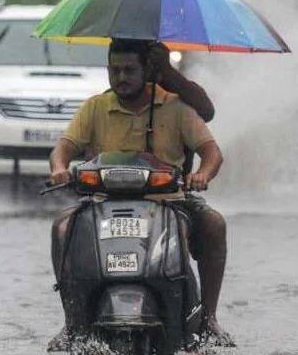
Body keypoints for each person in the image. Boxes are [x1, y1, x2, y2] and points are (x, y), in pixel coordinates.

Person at [48, 39, 234, 350]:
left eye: (129, 70)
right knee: (61, 227)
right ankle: (73, 322)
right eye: (115, 70)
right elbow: (63, 149)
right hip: (101, 203)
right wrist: (59, 168)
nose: (121, 77)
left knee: (214, 222)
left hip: (171, 202)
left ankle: (208, 318)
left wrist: (202, 174)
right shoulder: (95, 107)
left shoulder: (175, 105)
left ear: (147, 69)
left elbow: (212, 152)